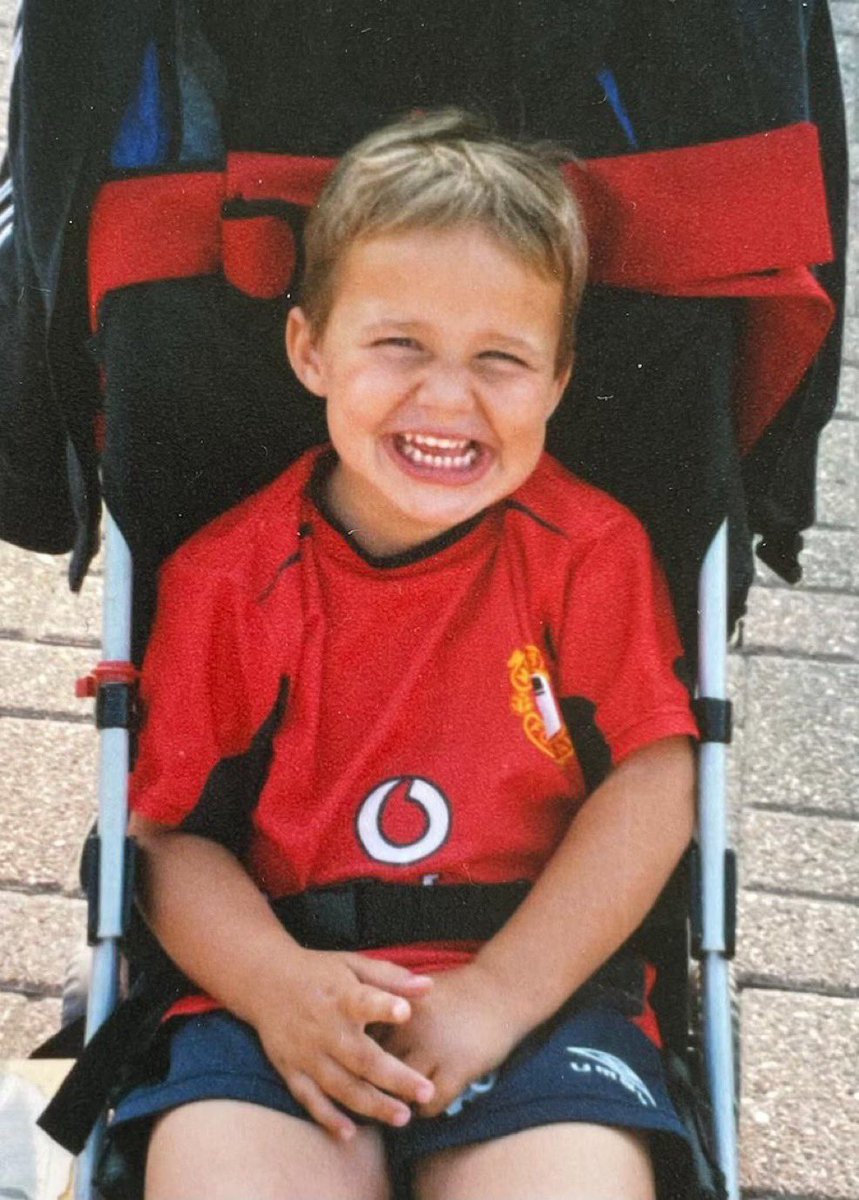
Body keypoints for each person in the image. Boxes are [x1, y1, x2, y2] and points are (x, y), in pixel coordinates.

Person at [110, 110, 699, 1200]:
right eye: (400, 346)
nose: (447, 397)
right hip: (282, 988)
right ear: (310, 351)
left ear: (558, 381)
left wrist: (500, 995)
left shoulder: (586, 553)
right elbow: (167, 840)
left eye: (500, 359)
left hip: (537, 988)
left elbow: (656, 784)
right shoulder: (232, 576)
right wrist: (274, 986)